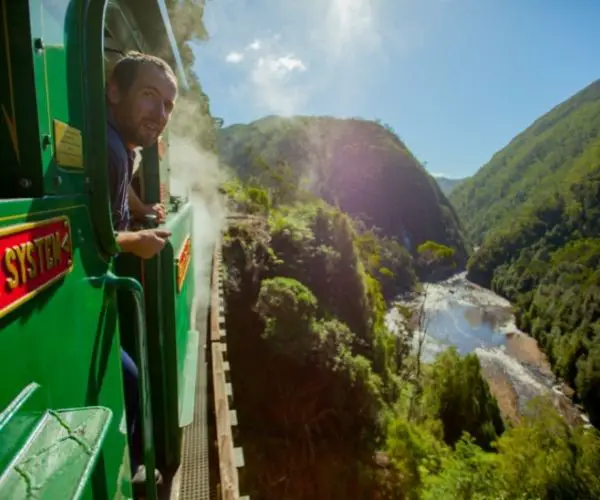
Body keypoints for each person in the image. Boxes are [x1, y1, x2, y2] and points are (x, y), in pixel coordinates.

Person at [104, 50, 178, 490]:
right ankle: (127, 477)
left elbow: (124, 181)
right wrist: (137, 241)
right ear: (115, 90)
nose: (161, 113)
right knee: (130, 380)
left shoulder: (122, 146)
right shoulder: (111, 149)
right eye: (150, 96)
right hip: (99, 289)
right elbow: (91, 238)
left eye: (167, 104)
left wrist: (140, 207)